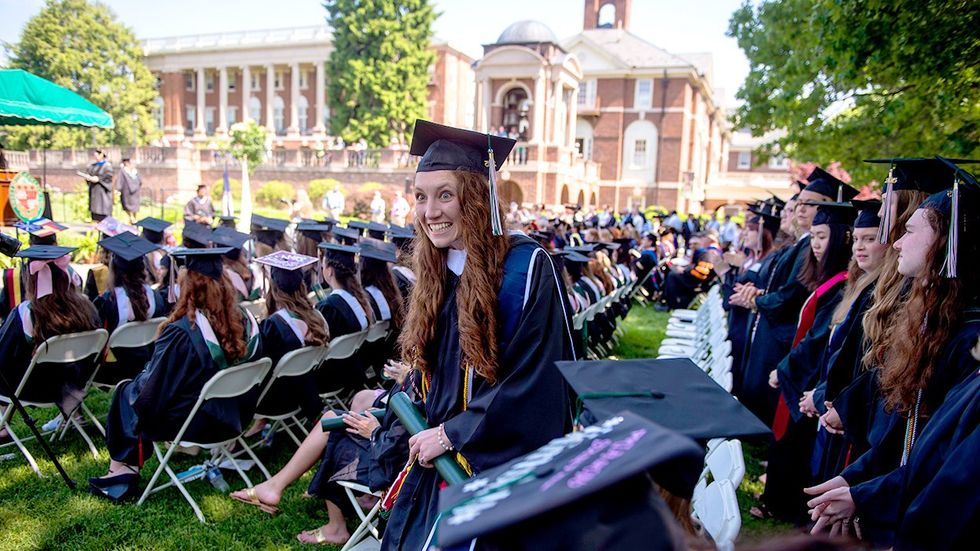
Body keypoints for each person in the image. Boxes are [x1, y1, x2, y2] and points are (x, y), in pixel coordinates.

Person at [380, 120, 575, 550]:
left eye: (445, 194)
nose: (430, 212)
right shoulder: (435, 269)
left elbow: (539, 381)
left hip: (494, 468)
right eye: (421, 197)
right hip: (434, 460)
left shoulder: (525, 270)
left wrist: (453, 432)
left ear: (475, 196)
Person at [804, 159, 980, 546]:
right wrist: (856, 479)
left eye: (910, 230)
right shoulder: (936, 320)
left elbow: (943, 461)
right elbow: (908, 434)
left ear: (947, 241)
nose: (896, 240)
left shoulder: (969, 341)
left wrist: (866, 494)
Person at [92, 247, 262, 501]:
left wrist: (139, 381)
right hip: (234, 417)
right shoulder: (244, 320)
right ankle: (121, 469)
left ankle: (122, 470)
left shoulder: (183, 332)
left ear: (188, 286)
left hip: (197, 424)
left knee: (127, 391)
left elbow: (150, 396)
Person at [230, 363, 414, 546]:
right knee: (345, 414)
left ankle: (336, 527)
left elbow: (407, 433)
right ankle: (276, 487)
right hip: (401, 442)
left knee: (336, 432)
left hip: (401, 463)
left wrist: (374, 431)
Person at [761, 201, 855, 523]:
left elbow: (817, 340)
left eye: (823, 236)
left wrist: (786, 369)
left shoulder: (842, 285)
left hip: (814, 383)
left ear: (841, 238)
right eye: (813, 236)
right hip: (804, 377)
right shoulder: (827, 281)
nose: (815, 244)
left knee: (800, 448)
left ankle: (786, 503)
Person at [808, 199, 887, 485]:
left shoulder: (879, 295)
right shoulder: (856, 287)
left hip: (848, 406)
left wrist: (822, 397)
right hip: (833, 400)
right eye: (856, 239)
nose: (859, 247)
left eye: (869, 239)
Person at [0, 245, 100, 444]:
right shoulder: (86, 307)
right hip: (72, 385)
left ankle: (2, 426)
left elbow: (3, 354)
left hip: (33, 389)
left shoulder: (27, 312)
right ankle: (75, 415)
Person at [249, 252, 328, 430]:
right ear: (301, 284)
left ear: (273, 286)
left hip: (275, 401)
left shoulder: (274, 325)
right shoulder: (316, 317)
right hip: (304, 395)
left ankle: (258, 424)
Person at [91, 233, 168, 387]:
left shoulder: (107, 302)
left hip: (114, 371)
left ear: (113, 268)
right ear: (142, 267)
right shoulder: (157, 298)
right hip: (149, 365)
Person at [315, 243, 374, 393]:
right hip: (351, 373)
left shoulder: (329, 307)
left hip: (329, 379)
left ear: (329, 272)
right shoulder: (359, 301)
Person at [77, 149, 113, 222]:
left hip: (103, 194)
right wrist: (88, 178)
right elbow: (89, 174)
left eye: (97, 155)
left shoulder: (107, 166)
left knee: (103, 213)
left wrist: (99, 179)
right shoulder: (92, 166)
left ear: (102, 155)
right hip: (94, 193)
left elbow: (108, 178)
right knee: (95, 214)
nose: (95, 157)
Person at [117, 158, 141, 224]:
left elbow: (140, 181)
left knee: (134, 207)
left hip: (134, 193)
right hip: (127, 192)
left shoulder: (135, 171)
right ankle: (131, 219)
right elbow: (120, 181)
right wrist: (118, 189)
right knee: (128, 207)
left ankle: (133, 219)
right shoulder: (123, 171)